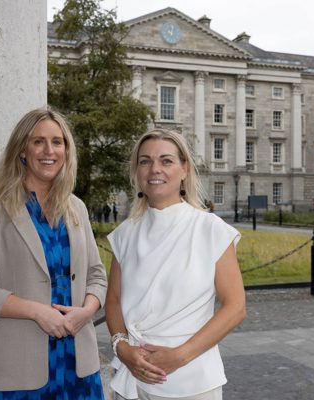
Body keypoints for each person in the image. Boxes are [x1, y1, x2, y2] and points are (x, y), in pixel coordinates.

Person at [0, 107, 107, 399]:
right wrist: (37, 312)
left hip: (79, 367)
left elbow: (97, 275)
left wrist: (86, 311)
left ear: (66, 149)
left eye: (57, 141)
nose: (48, 150)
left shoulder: (76, 206)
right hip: (17, 373)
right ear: (22, 150)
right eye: (38, 141)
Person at [105, 129, 246, 400]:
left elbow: (235, 307)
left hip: (190, 381)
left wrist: (180, 356)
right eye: (145, 161)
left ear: (184, 169)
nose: (154, 168)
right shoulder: (125, 233)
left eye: (166, 160)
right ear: (137, 171)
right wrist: (122, 348)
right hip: (131, 377)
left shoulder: (210, 229)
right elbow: (113, 300)